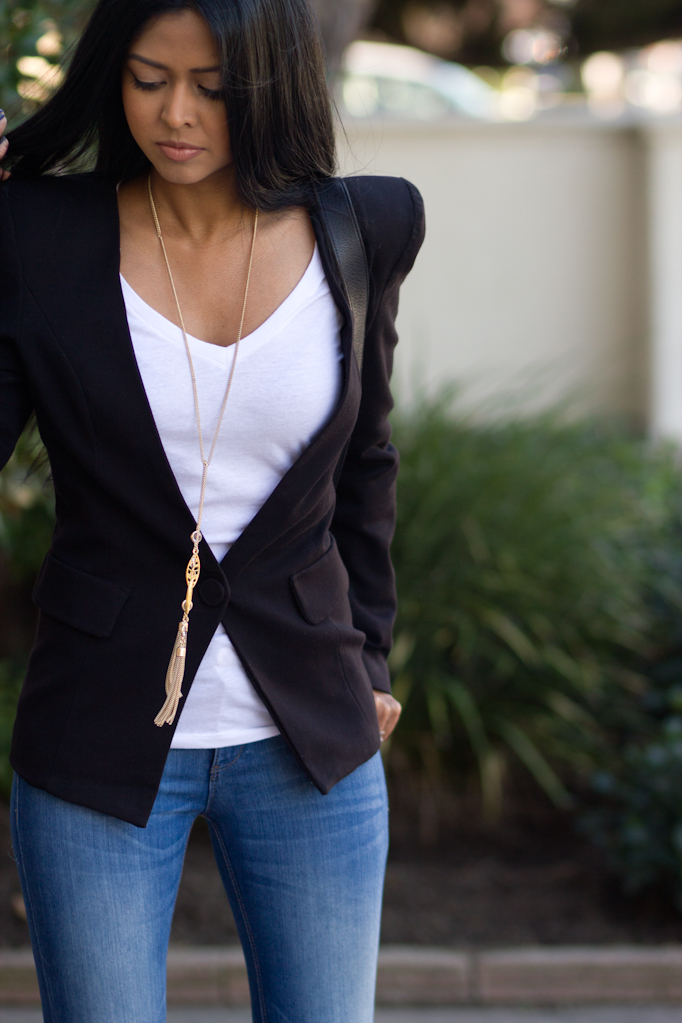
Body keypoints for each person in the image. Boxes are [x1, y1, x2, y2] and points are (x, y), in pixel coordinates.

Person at [0, 0, 424, 1019]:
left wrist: (369, 654)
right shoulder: (38, 235)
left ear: (271, 83)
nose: (175, 113)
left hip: (311, 737)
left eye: (214, 88)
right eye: (148, 80)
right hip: (96, 734)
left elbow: (365, 462)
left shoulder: (364, 227)